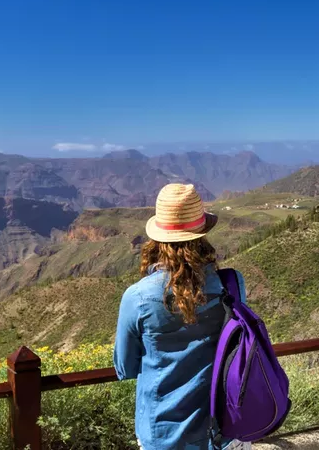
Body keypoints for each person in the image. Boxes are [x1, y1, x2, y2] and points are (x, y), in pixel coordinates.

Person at [115, 182, 250, 450]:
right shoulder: (232, 284)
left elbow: (125, 368)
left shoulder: (138, 297)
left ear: (158, 238)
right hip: (225, 432)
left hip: (164, 435)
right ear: (202, 234)